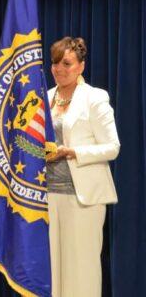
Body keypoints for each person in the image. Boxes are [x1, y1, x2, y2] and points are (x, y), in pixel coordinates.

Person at [46, 36, 120, 297]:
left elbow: (112, 147)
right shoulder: (45, 98)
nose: (59, 69)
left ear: (81, 66)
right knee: (51, 271)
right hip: (47, 197)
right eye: (55, 63)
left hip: (83, 199)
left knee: (82, 271)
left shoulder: (95, 98)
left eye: (66, 63)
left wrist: (73, 152)